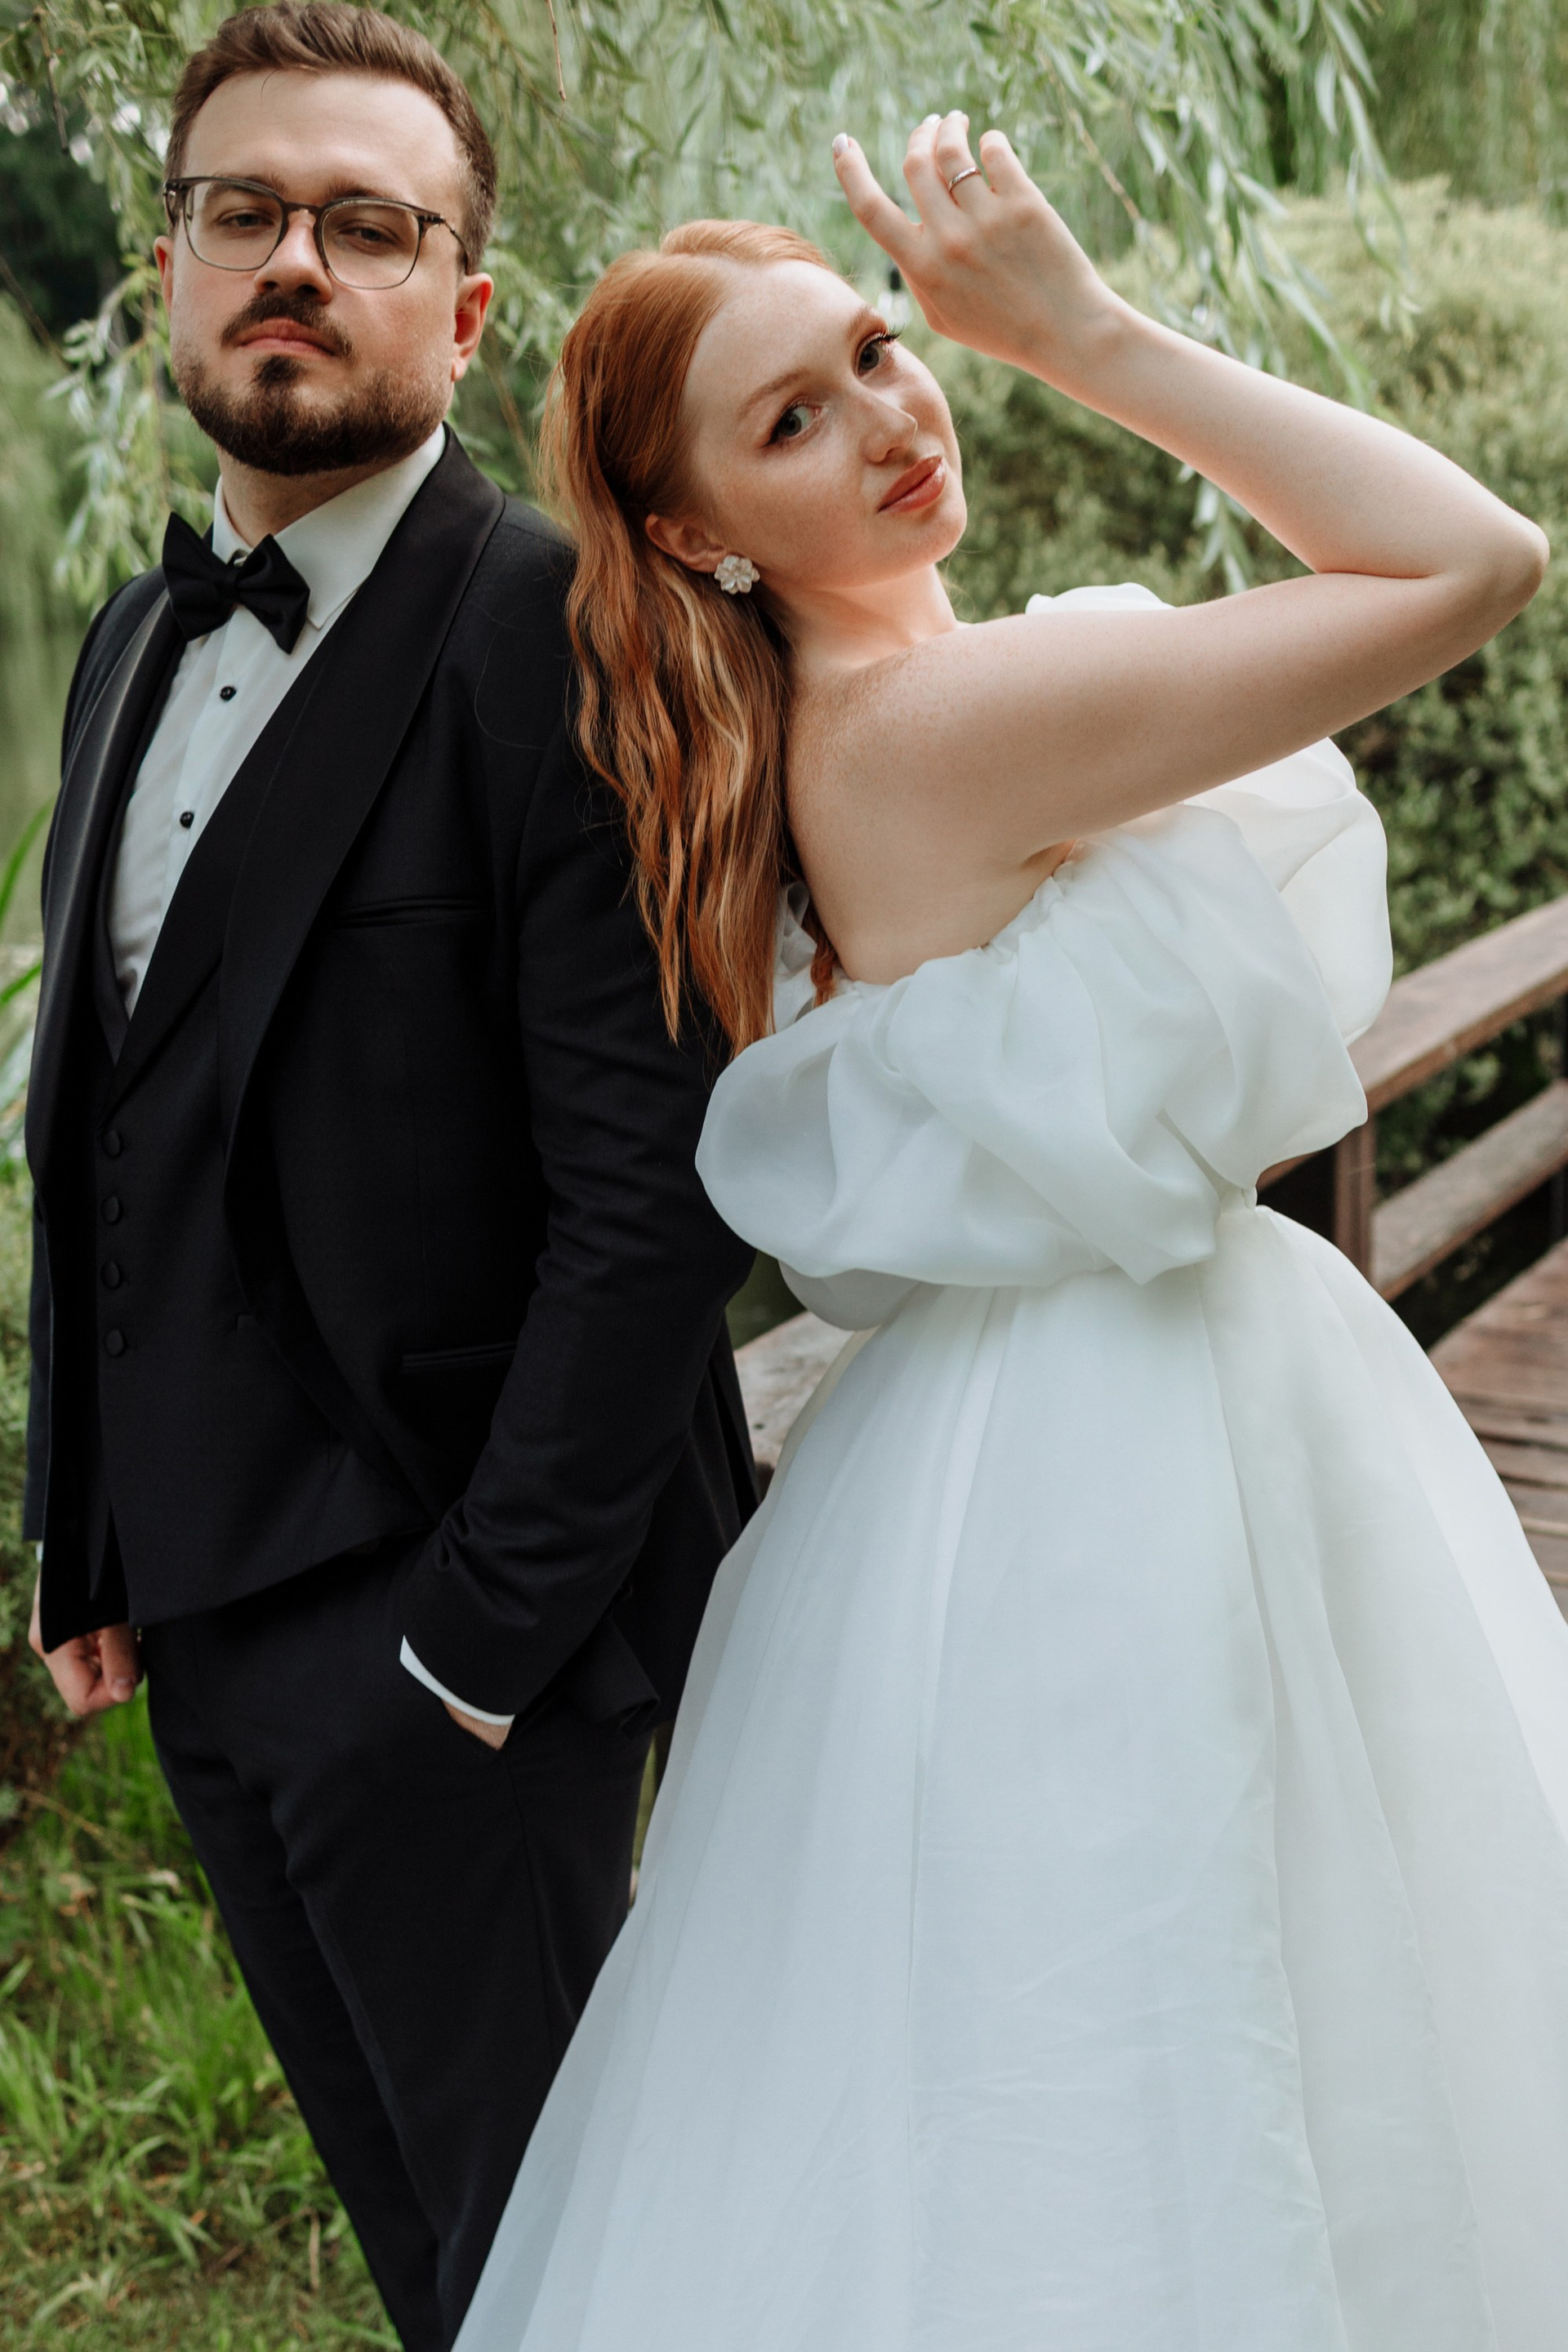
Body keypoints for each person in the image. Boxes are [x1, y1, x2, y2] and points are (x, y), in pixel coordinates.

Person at [453, 114, 1568, 2352]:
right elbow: (1471, 560)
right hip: (1135, 1438)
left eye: (877, 352)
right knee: (1246, 1967)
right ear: (695, 533)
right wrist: (1084, 334)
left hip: (1010, 1435)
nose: (887, 417)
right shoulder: (947, 724)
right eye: (791, 420)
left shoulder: (838, 732)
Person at [23, 7, 755, 2347]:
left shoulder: (565, 628)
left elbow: (657, 1196)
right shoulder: (133, 636)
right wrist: (83, 1528)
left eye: (368, 224)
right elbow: (101, 1109)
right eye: (243, 210)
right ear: (170, 264)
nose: (293, 263)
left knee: (575, 2268)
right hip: (205, 1619)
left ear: (467, 303)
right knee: (436, 2265)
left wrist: (470, 1651)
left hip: (459, 1641)